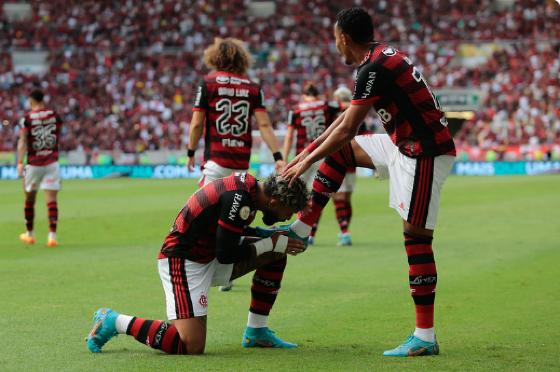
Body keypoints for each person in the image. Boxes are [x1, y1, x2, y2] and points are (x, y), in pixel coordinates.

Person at [282, 8, 456, 357]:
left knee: (416, 239)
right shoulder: (377, 59)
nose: (336, 48)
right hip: (401, 144)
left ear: (344, 37)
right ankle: (302, 229)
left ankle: (425, 336)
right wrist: (305, 157)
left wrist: (304, 163)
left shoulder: (373, 68)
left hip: (425, 152)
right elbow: (345, 124)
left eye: (335, 40)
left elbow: (347, 128)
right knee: (340, 153)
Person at [86, 173, 309, 355]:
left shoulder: (249, 190)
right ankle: (114, 321)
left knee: (277, 252)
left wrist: (270, 237)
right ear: (274, 201)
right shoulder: (238, 198)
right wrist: (269, 241)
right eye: (287, 212)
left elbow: (231, 232)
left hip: (208, 254)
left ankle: (256, 331)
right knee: (191, 345)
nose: (285, 217)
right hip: (183, 261)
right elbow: (226, 253)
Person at [187, 37, 286, 291]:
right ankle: (228, 273)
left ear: (215, 57)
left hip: (216, 162)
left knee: (205, 217)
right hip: (241, 166)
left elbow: (197, 123)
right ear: (242, 58)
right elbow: (264, 125)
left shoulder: (207, 83)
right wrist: (277, 156)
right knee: (236, 217)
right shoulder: (252, 87)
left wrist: (190, 151)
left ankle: (201, 270)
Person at [282, 82, 340, 245]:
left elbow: (289, 136)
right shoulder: (327, 105)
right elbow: (345, 107)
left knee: (301, 195)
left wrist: (284, 159)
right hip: (323, 154)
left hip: (303, 156)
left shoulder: (296, 109)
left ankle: (300, 230)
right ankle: (310, 232)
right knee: (318, 194)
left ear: (304, 94)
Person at [16, 89, 63, 247]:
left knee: (29, 198)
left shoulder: (27, 119)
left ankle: (29, 234)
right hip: (52, 161)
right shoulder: (55, 115)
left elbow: (23, 141)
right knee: (51, 200)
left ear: (31, 101)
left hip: (34, 163)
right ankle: (52, 237)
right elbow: (58, 134)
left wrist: (20, 162)